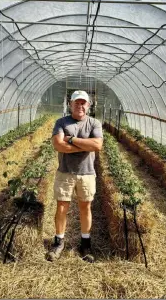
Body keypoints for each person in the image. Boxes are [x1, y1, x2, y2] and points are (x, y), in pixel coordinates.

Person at [46, 90, 103, 263]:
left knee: (85, 207)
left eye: (83, 103)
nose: (80, 106)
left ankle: (85, 244)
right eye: (76, 103)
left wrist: (71, 140)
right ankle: (59, 242)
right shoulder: (61, 122)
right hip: (65, 172)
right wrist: (86, 146)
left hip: (87, 173)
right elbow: (58, 145)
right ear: (70, 104)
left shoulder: (94, 123)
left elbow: (97, 145)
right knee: (62, 207)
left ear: (88, 105)